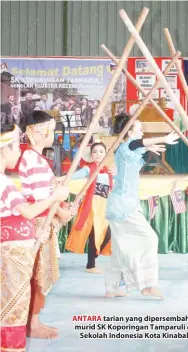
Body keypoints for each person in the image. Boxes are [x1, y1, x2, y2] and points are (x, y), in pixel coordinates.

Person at [0, 124, 68, 352]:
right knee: (13, 307)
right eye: (14, 148)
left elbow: (15, 217)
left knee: (13, 304)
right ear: (3, 151)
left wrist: (32, 230)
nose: (18, 152)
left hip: (18, 248)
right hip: (13, 254)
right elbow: (28, 211)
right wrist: (55, 198)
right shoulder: (4, 182)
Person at [104, 113, 178, 299]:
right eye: (139, 128)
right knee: (150, 238)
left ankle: (112, 288)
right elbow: (138, 144)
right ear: (129, 131)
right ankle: (147, 285)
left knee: (120, 248)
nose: (142, 131)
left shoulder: (129, 151)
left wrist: (152, 148)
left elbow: (140, 154)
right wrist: (164, 138)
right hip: (123, 206)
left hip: (123, 203)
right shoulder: (127, 146)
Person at [18, 111, 72, 339]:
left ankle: (34, 321)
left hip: (41, 219)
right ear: (40, 132)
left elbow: (43, 189)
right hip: (40, 222)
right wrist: (61, 211)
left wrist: (55, 184)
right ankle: (32, 323)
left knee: (39, 274)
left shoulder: (35, 158)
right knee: (38, 275)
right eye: (50, 130)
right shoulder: (33, 158)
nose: (53, 134)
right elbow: (41, 197)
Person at [65, 141, 114, 273]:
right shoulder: (89, 169)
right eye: (95, 152)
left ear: (105, 154)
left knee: (107, 233)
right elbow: (73, 176)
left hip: (104, 206)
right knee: (94, 233)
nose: (98, 154)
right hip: (92, 205)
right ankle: (91, 265)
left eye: (101, 152)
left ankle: (92, 260)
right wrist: (60, 179)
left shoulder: (108, 171)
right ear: (91, 155)